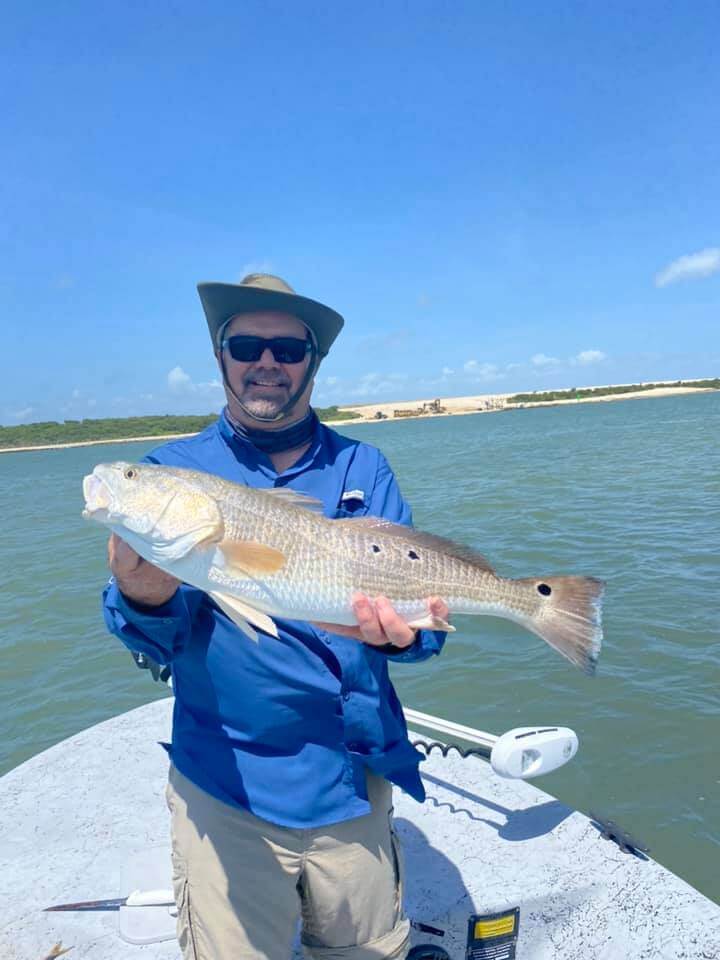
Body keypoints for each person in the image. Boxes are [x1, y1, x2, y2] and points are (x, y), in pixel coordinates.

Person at [103, 273, 450, 960]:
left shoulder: (364, 465)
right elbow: (149, 639)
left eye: (288, 349)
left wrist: (412, 639)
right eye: (247, 344)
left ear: (313, 363)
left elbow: (421, 627)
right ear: (221, 356)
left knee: (368, 953)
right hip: (228, 787)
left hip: (352, 775)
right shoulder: (175, 471)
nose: (267, 361)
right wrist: (142, 593)